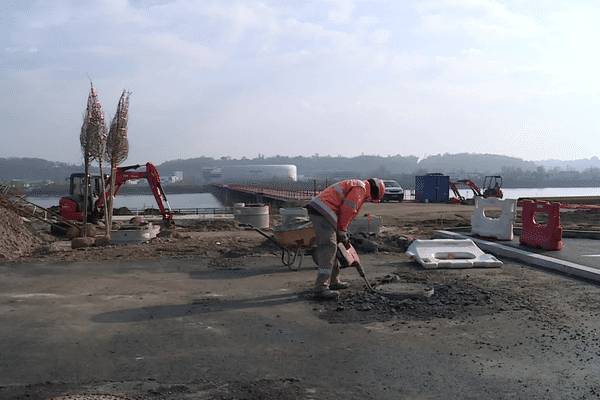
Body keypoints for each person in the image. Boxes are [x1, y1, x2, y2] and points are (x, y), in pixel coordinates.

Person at [306, 178, 386, 299]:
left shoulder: (358, 186)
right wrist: (342, 231)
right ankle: (320, 288)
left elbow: (345, 210)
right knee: (329, 247)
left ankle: (333, 281)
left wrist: (341, 233)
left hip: (323, 210)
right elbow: (348, 210)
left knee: (335, 246)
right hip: (324, 211)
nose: (370, 199)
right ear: (374, 192)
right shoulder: (360, 189)